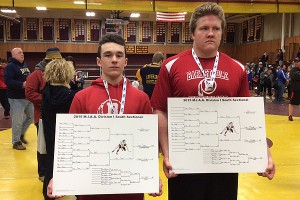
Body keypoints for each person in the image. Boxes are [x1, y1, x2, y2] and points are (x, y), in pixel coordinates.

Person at [150, 3, 275, 200]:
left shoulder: (237, 68)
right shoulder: (171, 66)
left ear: (222, 33)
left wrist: (264, 155)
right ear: (192, 33)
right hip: (185, 161)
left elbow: (248, 116)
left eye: (216, 28)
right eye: (204, 28)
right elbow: (160, 111)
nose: (210, 33)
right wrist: (167, 154)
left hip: (224, 161)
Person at [46, 34, 162, 200]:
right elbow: (73, 143)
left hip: (129, 189)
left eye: (119, 55)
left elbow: (147, 143)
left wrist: (151, 176)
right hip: (92, 188)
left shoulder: (141, 98)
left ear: (125, 62)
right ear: (99, 61)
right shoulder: (81, 97)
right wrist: (60, 176)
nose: (114, 59)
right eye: (108, 55)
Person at [41, 58, 79, 200]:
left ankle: (48, 193)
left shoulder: (46, 91)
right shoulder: (72, 96)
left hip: (50, 135)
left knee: (51, 162)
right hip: (68, 139)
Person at [25, 47, 62, 182]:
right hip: (42, 116)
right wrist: (49, 101)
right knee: (44, 146)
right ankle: (43, 172)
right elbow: (29, 94)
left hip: (59, 116)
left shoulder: (60, 73)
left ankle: (56, 171)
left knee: (57, 145)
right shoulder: (36, 74)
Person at [4, 48, 34, 150]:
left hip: (27, 97)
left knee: (31, 117)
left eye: (22, 52)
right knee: (17, 121)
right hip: (16, 98)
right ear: (13, 55)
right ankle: (16, 142)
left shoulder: (24, 65)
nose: (22, 54)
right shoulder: (10, 67)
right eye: (19, 53)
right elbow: (8, 81)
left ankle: (21, 134)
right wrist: (22, 85)